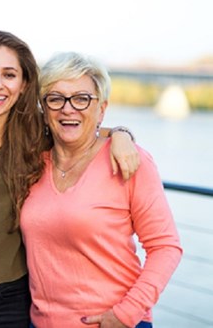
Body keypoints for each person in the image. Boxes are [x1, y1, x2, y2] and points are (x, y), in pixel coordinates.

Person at [0, 30, 139, 328]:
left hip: (9, 300)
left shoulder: (35, 137)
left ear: (23, 84)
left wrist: (122, 134)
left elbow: (82, 131)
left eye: (9, 75)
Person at [20, 51, 182, 328]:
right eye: (56, 98)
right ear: (44, 109)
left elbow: (166, 247)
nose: (68, 109)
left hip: (114, 322)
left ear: (102, 109)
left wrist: (126, 313)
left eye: (82, 99)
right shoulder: (32, 162)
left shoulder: (129, 161)